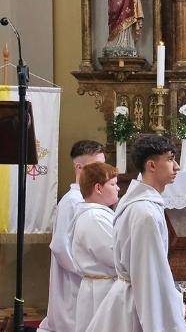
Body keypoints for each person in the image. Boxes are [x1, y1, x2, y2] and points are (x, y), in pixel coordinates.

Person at [86, 136, 186, 331]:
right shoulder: (145, 214)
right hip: (136, 307)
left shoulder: (138, 203)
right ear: (151, 165)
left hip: (128, 297)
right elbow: (149, 277)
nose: (177, 166)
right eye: (169, 159)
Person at [37, 140, 105, 332]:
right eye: (97, 165)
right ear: (79, 167)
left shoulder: (86, 199)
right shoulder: (72, 202)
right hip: (74, 281)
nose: (103, 171)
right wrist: (85, 271)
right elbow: (60, 246)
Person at [70, 162, 120, 332]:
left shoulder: (98, 213)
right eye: (113, 184)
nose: (118, 188)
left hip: (102, 287)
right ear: (98, 188)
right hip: (101, 292)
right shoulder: (94, 217)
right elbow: (116, 257)